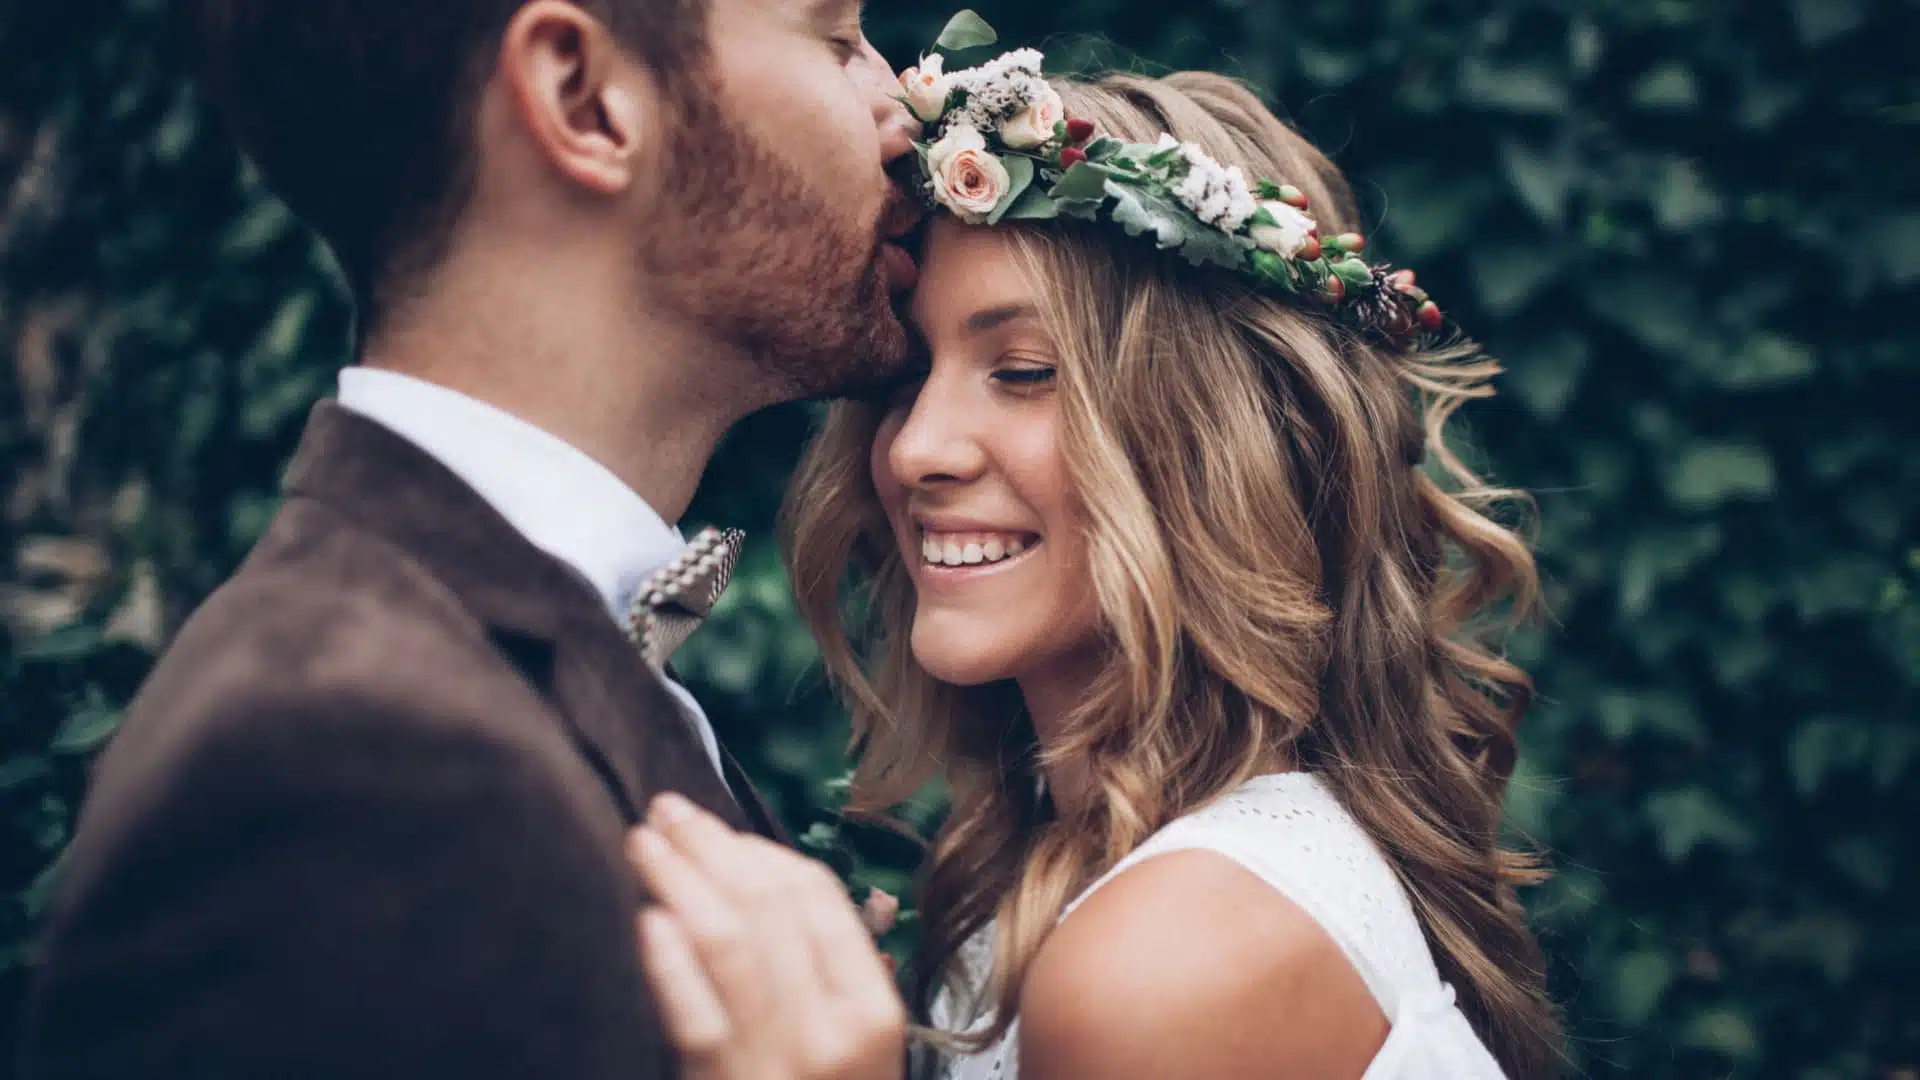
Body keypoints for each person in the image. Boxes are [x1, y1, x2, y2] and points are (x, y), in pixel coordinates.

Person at [627, 36, 1565, 1080]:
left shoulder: (1170, 962)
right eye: (910, 372)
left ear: (1222, 440)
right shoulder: (1062, 877)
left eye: (1023, 370)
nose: (919, 449)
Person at [17, 1, 921, 1077]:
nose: (903, 99)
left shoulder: (484, 660)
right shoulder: (333, 760)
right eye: (834, 40)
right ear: (582, 99)